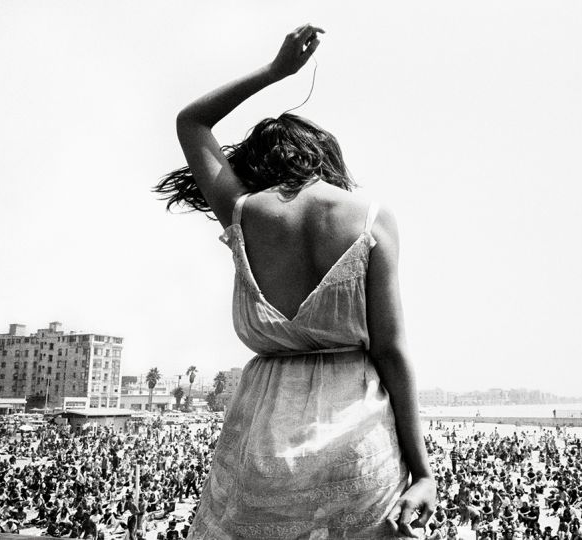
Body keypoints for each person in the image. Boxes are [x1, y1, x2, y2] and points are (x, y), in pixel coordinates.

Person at [155, 23, 436, 539]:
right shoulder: (371, 217)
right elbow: (392, 353)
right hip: (359, 444)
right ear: (326, 157)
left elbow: (191, 121)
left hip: (262, 448)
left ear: (261, 164)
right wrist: (423, 472)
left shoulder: (241, 212)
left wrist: (276, 70)